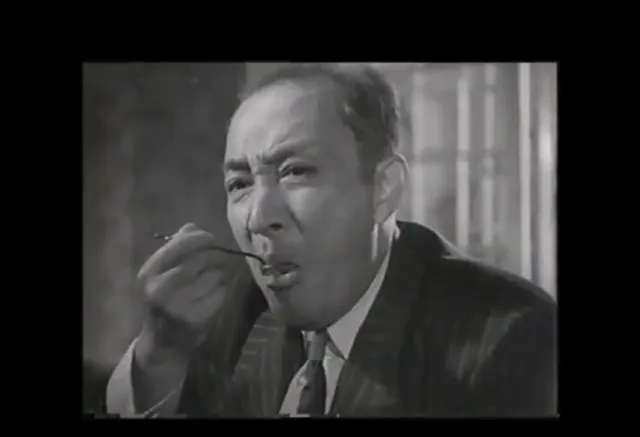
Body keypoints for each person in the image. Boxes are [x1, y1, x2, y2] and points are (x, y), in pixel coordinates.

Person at [106, 63, 557, 418]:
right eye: (240, 184)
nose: (258, 219)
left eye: (296, 171)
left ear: (382, 189)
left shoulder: (508, 335)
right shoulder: (227, 312)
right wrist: (160, 354)